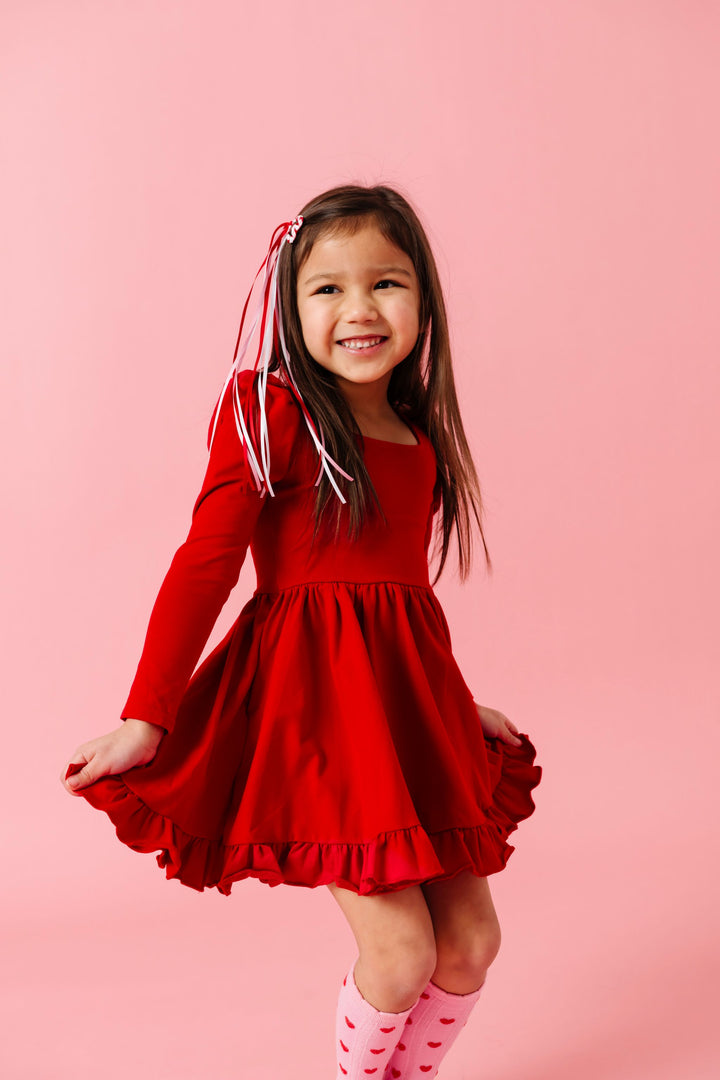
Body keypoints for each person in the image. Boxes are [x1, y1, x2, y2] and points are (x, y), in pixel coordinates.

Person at [61, 183, 542, 1080]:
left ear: (424, 300)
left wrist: (454, 703)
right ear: (290, 304)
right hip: (318, 715)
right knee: (401, 953)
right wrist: (147, 718)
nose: (359, 309)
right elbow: (205, 563)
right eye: (327, 289)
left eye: (386, 283)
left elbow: (399, 608)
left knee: (471, 942)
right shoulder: (270, 410)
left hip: (403, 713)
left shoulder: (415, 436)